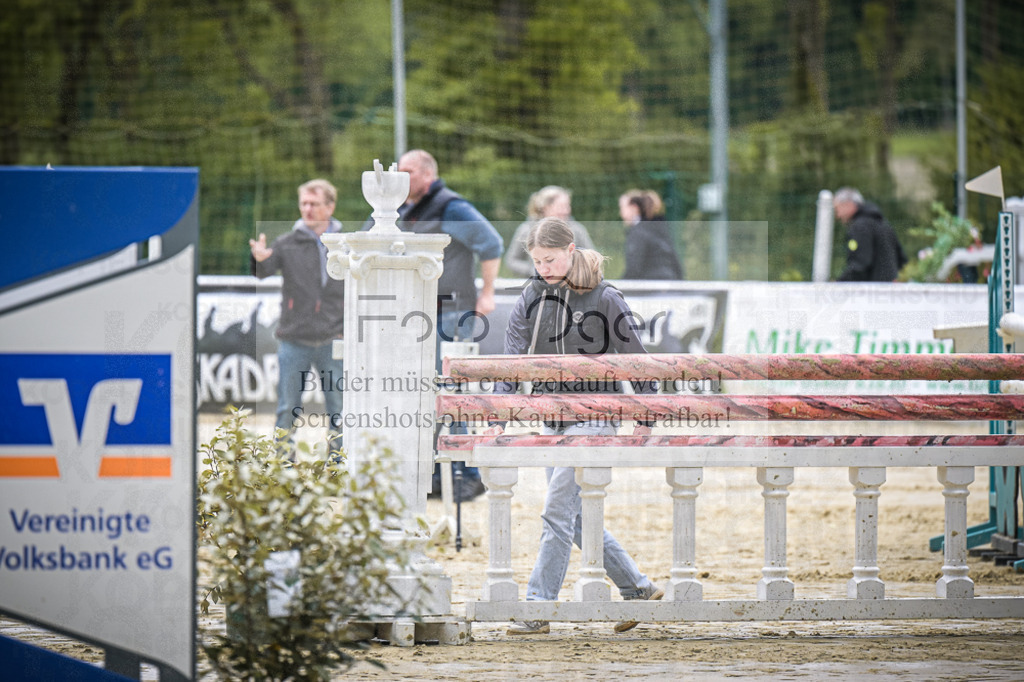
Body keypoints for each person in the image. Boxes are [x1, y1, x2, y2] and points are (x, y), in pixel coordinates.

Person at [488, 217, 663, 635]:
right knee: (577, 517)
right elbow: (513, 355)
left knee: (556, 512)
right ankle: (637, 588)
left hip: (597, 418)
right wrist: (499, 408)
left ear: (569, 249)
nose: (542, 268)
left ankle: (537, 608)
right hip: (552, 422)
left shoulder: (606, 296)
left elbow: (635, 356)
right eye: (536, 261)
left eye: (549, 260)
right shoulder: (531, 292)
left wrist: (647, 414)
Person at [395, 149, 504, 502]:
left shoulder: (450, 207)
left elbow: (491, 244)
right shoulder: (398, 210)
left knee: (451, 394)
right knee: (426, 396)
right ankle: (438, 472)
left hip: (452, 313)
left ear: (428, 174)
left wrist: (487, 293)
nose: (400, 177)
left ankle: (467, 474)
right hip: (417, 315)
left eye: (407, 171)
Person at [249, 179, 345, 452]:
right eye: (304, 203)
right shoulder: (287, 242)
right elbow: (262, 272)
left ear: (330, 207)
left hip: (333, 339)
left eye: (314, 204)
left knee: (339, 410)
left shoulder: (344, 245)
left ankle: (338, 468)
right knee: (287, 409)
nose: (307, 209)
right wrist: (258, 258)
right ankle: (283, 467)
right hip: (294, 339)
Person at [504, 185, 595, 278]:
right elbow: (511, 261)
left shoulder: (577, 230)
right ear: (545, 207)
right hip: (536, 285)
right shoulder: (526, 230)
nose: (566, 211)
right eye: (561, 206)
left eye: (567, 206)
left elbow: (591, 258)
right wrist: (533, 270)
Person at [833, 187, 907, 282]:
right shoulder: (882, 224)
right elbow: (901, 258)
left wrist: (839, 283)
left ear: (848, 204)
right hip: (889, 289)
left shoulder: (860, 228)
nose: (838, 215)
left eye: (837, 209)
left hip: (870, 290)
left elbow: (860, 264)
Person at [618, 189, 684, 280]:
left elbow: (634, 269)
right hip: (671, 284)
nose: (621, 213)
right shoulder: (659, 230)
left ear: (634, 207)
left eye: (622, 208)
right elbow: (677, 265)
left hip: (653, 288)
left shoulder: (638, 233)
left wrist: (617, 287)